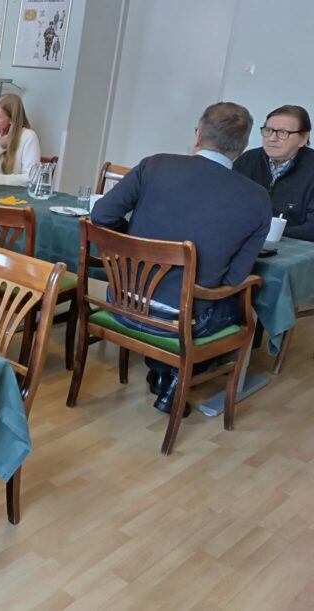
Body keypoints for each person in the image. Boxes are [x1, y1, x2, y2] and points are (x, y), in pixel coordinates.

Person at [91, 102, 271, 414]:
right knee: (242, 306)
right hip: (187, 320)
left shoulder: (155, 165)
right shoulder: (257, 198)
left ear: (198, 135)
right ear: (242, 148)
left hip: (123, 301)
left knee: (191, 299)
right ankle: (176, 375)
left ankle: (166, 372)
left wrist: (133, 242)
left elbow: (101, 215)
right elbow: (233, 279)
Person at [233, 105, 314, 241]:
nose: (272, 138)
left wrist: (269, 233)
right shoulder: (247, 161)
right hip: (245, 240)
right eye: (268, 130)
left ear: (303, 138)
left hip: (296, 246)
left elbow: (311, 228)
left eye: (282, 132)